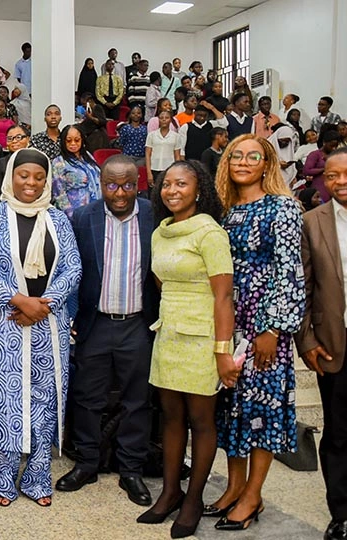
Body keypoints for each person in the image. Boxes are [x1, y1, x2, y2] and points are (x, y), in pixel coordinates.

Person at [0, 148, 81, 507]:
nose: (31, 183)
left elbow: (73, 268)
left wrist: (43, 305)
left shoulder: (57, 219)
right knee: (4, 401)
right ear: (10, 177)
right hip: (4, 323)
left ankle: (37, 477)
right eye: (24, 175)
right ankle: (3, 478)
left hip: (49, 323)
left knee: (45, 400)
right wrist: (20, 301)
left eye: (38, 177)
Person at [205, 135, 306, 531]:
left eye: (253, 156)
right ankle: (234, 487)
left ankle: (252, 495)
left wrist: (273, 329)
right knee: (233, 407)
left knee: (262, 409)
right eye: (236, 156)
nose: (244, 162)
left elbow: (289, 270)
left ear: (267, 164)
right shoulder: (227, 211)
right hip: (230, 320)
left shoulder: (282, 207)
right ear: (226, 163)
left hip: (264, 325)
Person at [136, 160, 237, 539]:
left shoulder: (210, 233)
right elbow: (162, 282)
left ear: (199, 190)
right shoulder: (160, 232)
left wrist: (223, 351)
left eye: (181, 184)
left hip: (203, 339)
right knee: (171, 417)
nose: (172, 190)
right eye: (166, 184)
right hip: (169, 334)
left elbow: (223, 296)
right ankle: (170, 493)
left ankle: (193, 499)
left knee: (201, 421)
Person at [58, 155, 157, 506]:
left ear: (138, 184)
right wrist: (72, 316)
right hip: (95, 322)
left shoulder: (153, 214)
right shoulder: (84, 217)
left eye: (128, 185)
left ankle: (131, 469)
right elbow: (74, 269)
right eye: (112, 185)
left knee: (137, 401)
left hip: (138, 324)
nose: (120, 193)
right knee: (87, 398)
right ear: (100, 185)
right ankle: (87, 463)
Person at [296, 147, 347, 540]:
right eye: (332, 176)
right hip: (335, 343)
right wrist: (307, 340)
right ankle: (341, 513)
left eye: (346, 174)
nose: (340, 182)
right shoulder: (312, 222)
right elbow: (304, 287)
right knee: (339, 432)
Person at [50, 125, 101, 218]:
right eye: (68, 141)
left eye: (77, 140)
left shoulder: (88, 156)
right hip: (76, 213)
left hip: (96, 210)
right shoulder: (59, 162)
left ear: (82, 140)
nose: (73, 143)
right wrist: (72, 216)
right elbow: (59, 194)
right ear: (63, 142)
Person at [145, 110, 184, 189]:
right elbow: (148, 154)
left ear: (170, 120)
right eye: (161, 118)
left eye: (166, 118)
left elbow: (177, 156)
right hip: (154, 168)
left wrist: (176, 172)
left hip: (169, 169)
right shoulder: (151, 135)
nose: (164, 119)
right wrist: (149, 173)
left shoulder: (176, 136)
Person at [306, 130, 344, 201]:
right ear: (324, 143)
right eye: (331, 146)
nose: (334, 148)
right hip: (320, 187)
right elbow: (307, 170)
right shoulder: (315, 154)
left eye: (336, 146)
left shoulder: (336, 155)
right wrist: (324, 169)